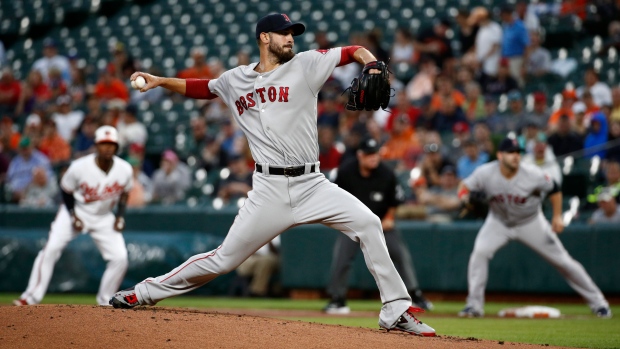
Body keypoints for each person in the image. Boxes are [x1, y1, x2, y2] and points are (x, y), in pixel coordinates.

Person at [110, 13, 436, 336]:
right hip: (268, 191)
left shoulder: (306, 64)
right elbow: (204, 88)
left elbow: (352, 51)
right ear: (265, 38)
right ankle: (144, 292)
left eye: (293, 33)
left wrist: (372, 63)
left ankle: (395, 308)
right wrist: (160, 81)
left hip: (313, 185)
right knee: (222, 260)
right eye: (283, 33)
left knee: (369, 223)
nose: (291, 38)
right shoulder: (236, 79)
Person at [457, 137, 612, 318]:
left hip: (530, 222)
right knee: (480, 253)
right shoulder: (485, 172)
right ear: (500, 155)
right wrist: (464, 198)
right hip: (498, 222)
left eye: (518, 153)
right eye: (511, 153)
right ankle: (474, 306)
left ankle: (600, 304)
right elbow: (464, 186)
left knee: (563, 261)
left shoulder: (532, 173)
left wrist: (556, 216)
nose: (515, 156)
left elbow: (554, 188)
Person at [13, 126, 133, 306]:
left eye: (111, 144)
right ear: (96, 146)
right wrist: (72, 215)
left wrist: (120, 217)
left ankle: (106, 299)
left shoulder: (125, 169)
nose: (107, 147)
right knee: (50, 249)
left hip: (103, 216)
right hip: (76, 211)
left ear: (117, 147)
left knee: (120, 257)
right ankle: (30, 297)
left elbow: (125, 192)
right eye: (103, 144)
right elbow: (66, 190)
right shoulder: (79, 166)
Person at [324, 138, 433, 314]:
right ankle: (337, 299)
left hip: (380, 224)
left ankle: (415, 294)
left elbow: (394, 200)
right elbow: (334, 197)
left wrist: (390, 217)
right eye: (368, 154)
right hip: (352, 224)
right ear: (360, 155)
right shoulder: (346, 172)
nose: (373, 158)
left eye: (375, 154)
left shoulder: (386, 174)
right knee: (341, 258)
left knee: (399, 254)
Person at [6, 137, 54, 203]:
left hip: (34, 191)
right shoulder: (15, 162)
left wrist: (31, 185)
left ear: (31, 147)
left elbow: (48, 177)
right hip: (15, 195)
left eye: (26, 148)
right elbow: (9, 179)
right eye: (22, 148)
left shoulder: (40, 159)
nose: (24, 150)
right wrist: (15, 191)